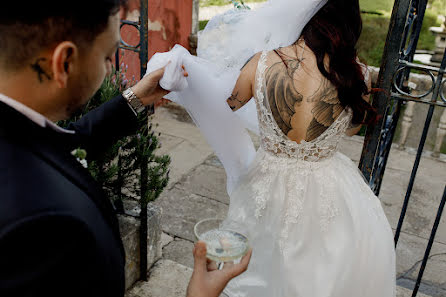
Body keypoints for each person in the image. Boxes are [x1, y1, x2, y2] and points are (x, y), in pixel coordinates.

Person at [145, 0, 396, 296]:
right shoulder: (357, 75)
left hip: (267, 180)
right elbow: (352, 129)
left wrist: (198, 77)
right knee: (323, 267)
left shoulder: (261, 62)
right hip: (329, 185)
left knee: (257, 258)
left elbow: (229, 106)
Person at [0, 1, 250, 297]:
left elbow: (66, 141)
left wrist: (136, 97)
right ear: (64, 62)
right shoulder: (48, 227)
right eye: (107, 56)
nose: (109, 68)